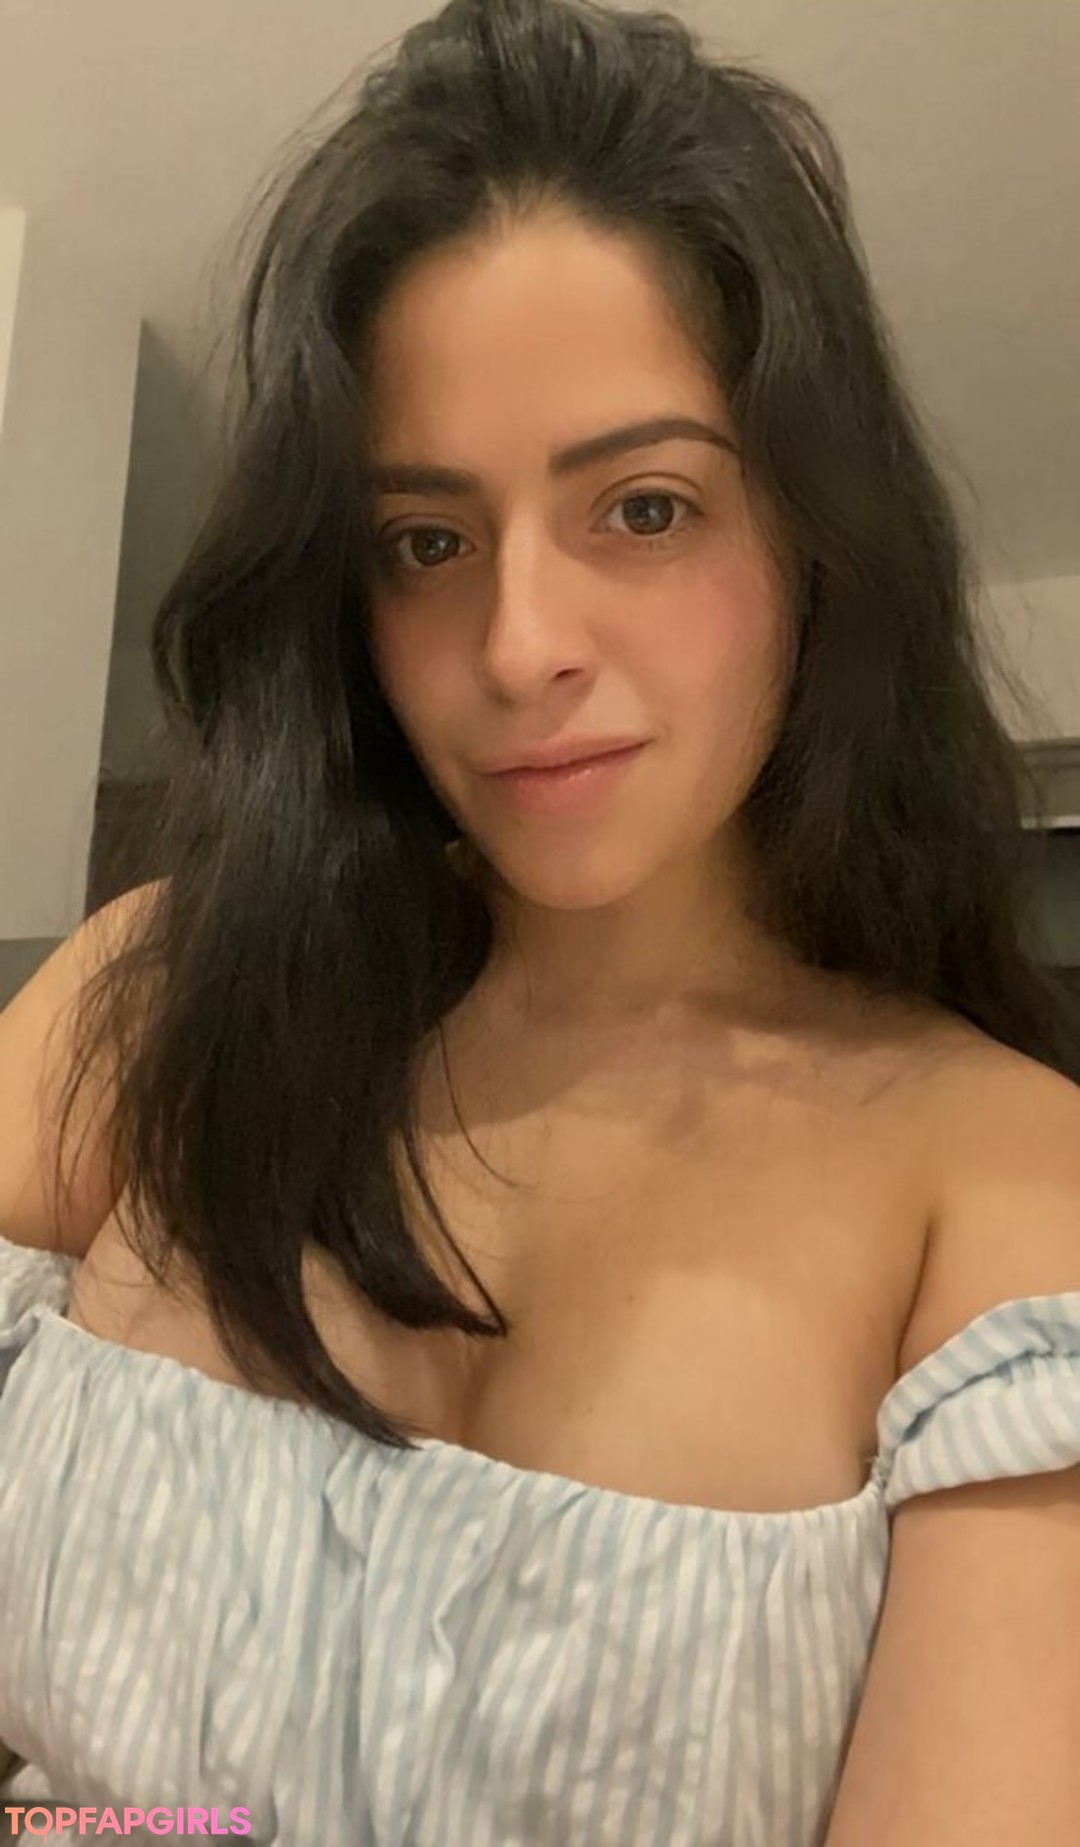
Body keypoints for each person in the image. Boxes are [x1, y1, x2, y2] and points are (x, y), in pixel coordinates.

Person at [1, 0, 1079, 1840]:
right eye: (427, 542)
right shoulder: (154, 997)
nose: (518, 647)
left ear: (817, 542)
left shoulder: (999, 1192)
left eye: (643, 509)